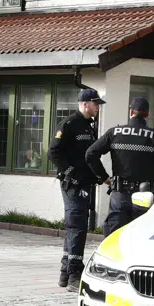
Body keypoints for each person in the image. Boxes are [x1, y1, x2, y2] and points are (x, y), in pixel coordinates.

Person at [86, 95, 154, 237]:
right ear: (148, 114)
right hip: (144, 195)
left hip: (119, 193)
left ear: (130, 112)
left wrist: (105, 178)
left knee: (114, 236)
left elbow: (90, 154)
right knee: (141, 235)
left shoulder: (114, 132)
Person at [48, 87, 103, 289]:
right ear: (85, 104)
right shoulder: (70, 124)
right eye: (95, 103)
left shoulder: (89, 126)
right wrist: (70, 171)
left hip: (85, 183)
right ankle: (74, 274)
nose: (98, 107)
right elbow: (53, 151)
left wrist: (99, 176)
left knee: (76, 227)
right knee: (77, 227)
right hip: (73, 184)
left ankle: (65, 272)